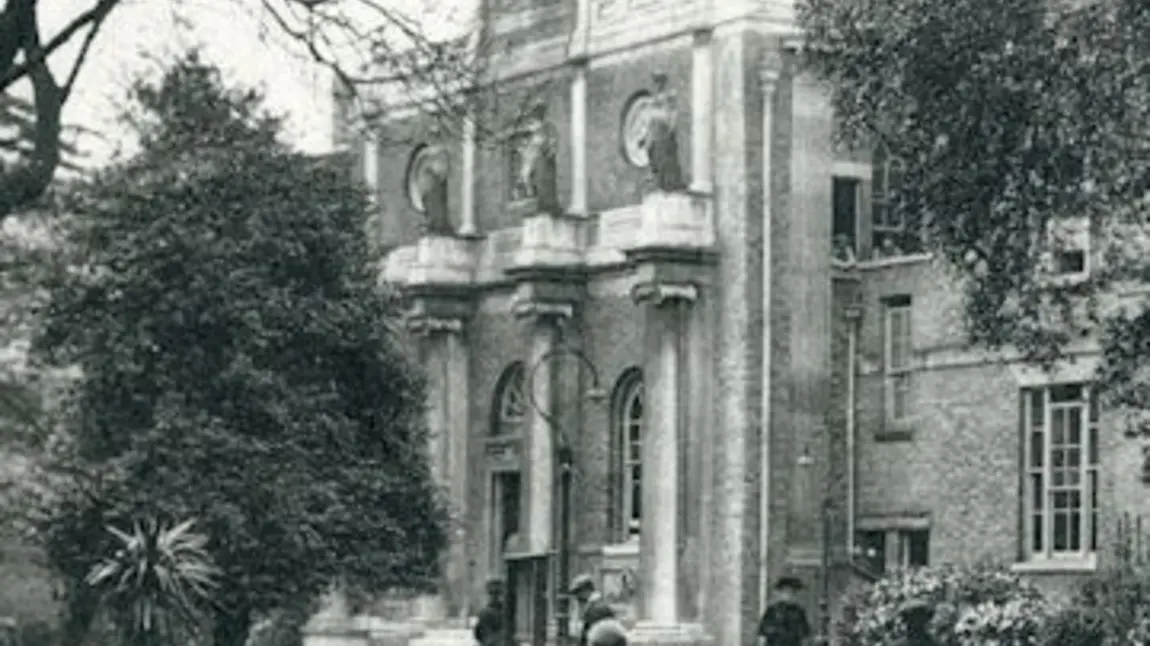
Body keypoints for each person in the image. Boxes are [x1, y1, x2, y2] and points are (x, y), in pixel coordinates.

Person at [640, 73, 686, 192]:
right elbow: (649, 120)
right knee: (651, 152)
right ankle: (655, 176)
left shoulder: (668, 97)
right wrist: (644, 137)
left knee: (664, 157)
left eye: (659, 82)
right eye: (655, 82)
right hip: (654, 133)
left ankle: (668, 182)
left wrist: (670, 128)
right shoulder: (653, 100)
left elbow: (671, 116)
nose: (657, 85)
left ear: (663, 83)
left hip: (663, 133)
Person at [758, 576, 811, 646]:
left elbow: (805, 635)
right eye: (786, 592)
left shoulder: (799, 612)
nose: (789, 595)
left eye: (792, 592)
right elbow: (763, 633)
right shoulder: (772, 611)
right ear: (780, 593)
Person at [571, 574, 615, 646]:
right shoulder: (595, 607)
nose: (577, 598)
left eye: (578, 593)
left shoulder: (597, 610)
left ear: (586, 591)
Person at [474, 578, 507, 646]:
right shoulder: (484, 613)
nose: (495, 596)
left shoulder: (506, 612)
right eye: (492, 593)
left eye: (497, 593)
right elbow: (478, 634)